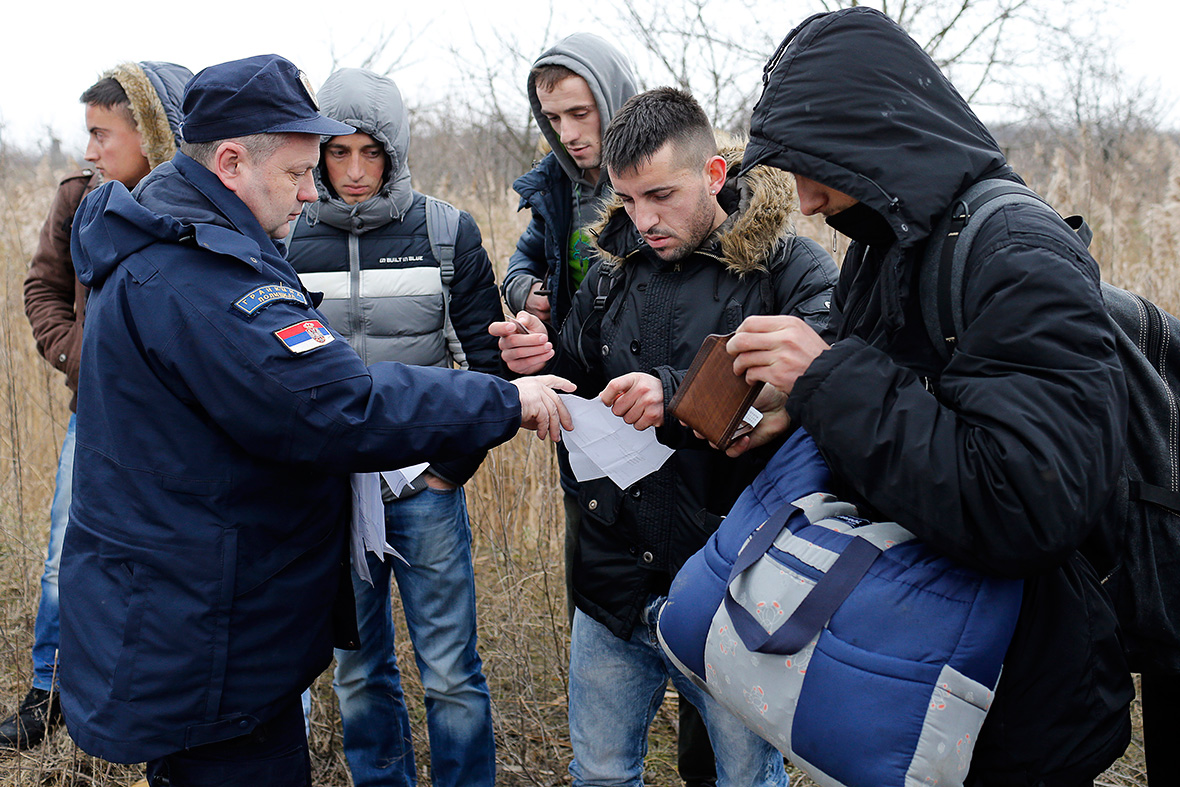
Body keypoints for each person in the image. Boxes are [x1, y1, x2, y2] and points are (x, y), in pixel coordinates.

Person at [57, 54, 572, 787]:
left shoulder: (179, 242)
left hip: (194, 616)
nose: (311, 192)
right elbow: (336, 401)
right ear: (231, 161)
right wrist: (505, 401)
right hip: (208, 639)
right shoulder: (198, 274)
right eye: (300, 171)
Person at [726, 8, 1133, 786]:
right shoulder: (889, 245)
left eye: (815, 166)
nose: (806, 201)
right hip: (919, 683)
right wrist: (798, 407)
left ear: (865, 139)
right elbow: (905, 417)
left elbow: (1026, 505)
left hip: (1015, 706)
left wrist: (827, 378)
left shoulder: (1019, 254)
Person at [492, 87, 836, 787]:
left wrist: (675, 390)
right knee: (601, 774)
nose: (643, 220)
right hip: (612, 582)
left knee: (745, 778)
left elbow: (828, 383)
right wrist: (540, 361)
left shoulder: (792, 270)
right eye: (627, 199)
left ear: (713, 176)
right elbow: (577, 370)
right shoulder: (608, 275)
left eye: (660, 195)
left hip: (735, 588)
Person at [286, 67, 502, 787]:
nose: (352, 170)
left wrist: (449, 469)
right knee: (357, 671)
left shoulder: (446, 231)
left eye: (369, 152)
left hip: (424, 491)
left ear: (395, 151)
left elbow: (489, 364)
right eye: (336, 151)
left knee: (449, 674)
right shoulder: (283, 239)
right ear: (315, 152)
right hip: (333, 498)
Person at [3, 60, 192, 752]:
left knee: (166, 557)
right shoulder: (79, 198)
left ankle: (142, 694)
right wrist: (83, 356)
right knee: (65, 548)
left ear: (150, 131)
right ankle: (48, 689)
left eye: (102, 133)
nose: (91, 149)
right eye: (87, 133)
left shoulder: (201, 203)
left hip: (182, 426)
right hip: (96, 414)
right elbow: (42, 290)